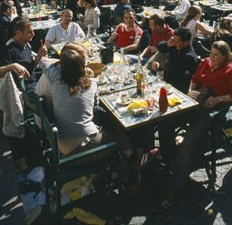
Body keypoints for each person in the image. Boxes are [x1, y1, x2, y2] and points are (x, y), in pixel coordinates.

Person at [38, 45, 154, 194]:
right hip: (81, 151)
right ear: (82, 66)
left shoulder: (55, 80)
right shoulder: (91, 83)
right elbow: (96, 105)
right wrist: (89, 76)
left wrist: (64, 61)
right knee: (117, 133)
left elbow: (43, 61)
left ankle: (132, 162)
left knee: (107, 125)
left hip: (62, 146)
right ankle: (132, 169)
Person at [155, 41, 232, 211]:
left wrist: (218, 99)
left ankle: (173, 189)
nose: (212, 57)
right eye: (211, 53)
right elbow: (194, 79)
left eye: (216, 55)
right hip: (196, 102)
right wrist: (191, 91)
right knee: (164, 124)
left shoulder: (231, 70)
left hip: (212, 110)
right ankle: (170, 159)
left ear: (224, 55)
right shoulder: (205, 63)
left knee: (188, 144)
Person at [1, 19, 48, 88]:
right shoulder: (10, 50)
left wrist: (39, 55)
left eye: (33, 31)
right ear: (18, 33)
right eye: (29, 32)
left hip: (35, 83)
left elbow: (31, 66)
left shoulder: (26, 45)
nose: (33, 34)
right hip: (26, 89)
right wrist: (13, 66)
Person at [151, 27, 199, 93]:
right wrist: (167, 44)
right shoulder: (177, 46)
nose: (174, 43)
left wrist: (158, 69)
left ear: (186, 42)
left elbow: (176, 80)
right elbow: (160, 47)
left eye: (177, 42)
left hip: (178, 88)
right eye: (174, 40)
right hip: (168, 79)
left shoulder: (189, 57)